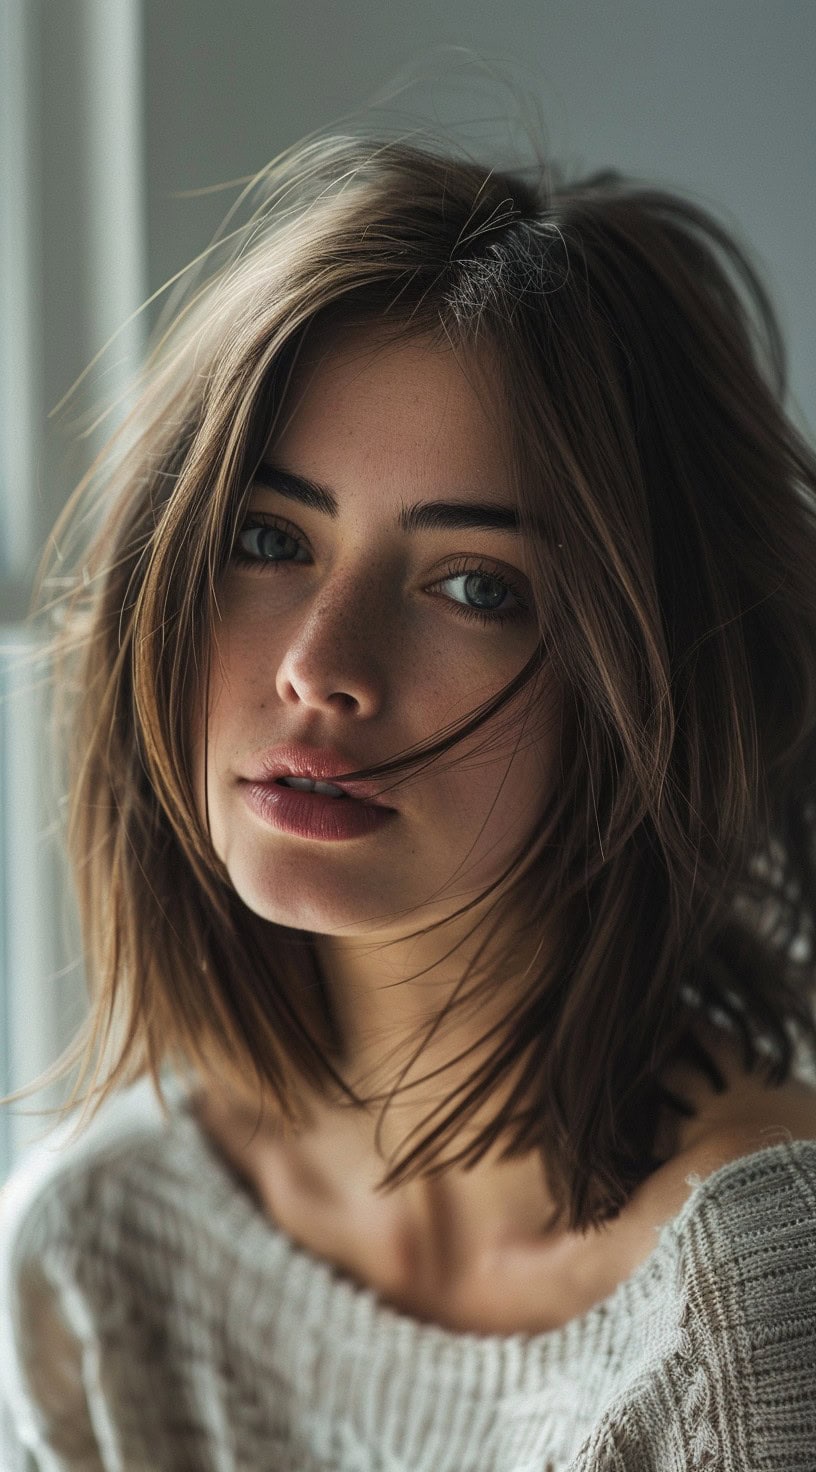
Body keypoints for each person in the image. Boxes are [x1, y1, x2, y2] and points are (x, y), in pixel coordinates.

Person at [1, 125, 816, 1471]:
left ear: (643, 682)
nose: (323, 668)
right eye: (270, 542)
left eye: (476, 586)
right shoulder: (97, 1257)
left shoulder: (749, 1293)